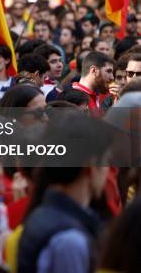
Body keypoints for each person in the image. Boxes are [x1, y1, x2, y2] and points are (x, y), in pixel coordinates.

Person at [17, 112, 114, 273]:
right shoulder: (69, 240)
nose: (108, 169)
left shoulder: (44, 211)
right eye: (105, 161)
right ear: (90, 166)